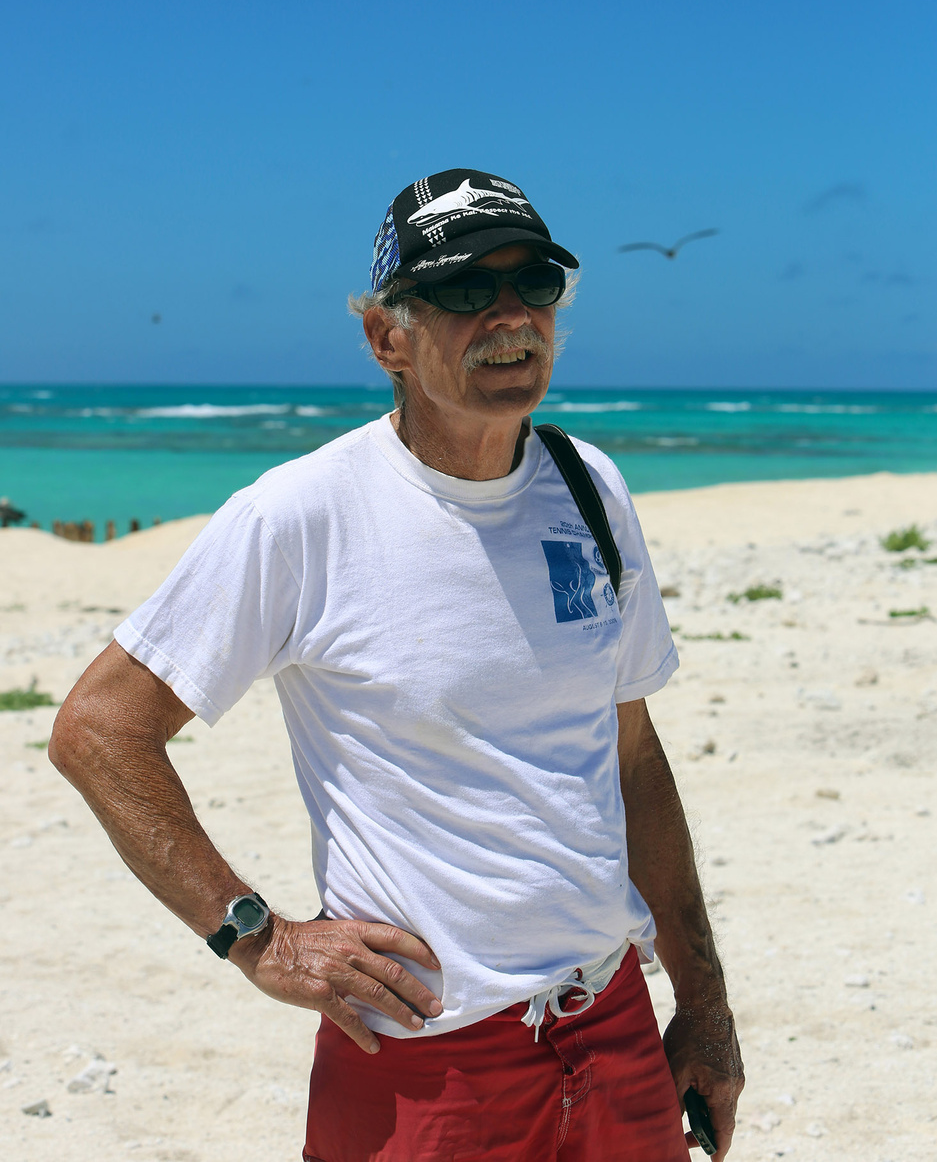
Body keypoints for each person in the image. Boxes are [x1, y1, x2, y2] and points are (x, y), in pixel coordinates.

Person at [50, 168, 743, 1162]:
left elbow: (629, 757)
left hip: (614, 1028)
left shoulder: (590, 489)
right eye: (465, 291)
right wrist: (258, 935)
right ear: (388, 337)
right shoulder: (301, 514)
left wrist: (704, 1006)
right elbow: (98, 729)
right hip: (425, 1063)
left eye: (533, 285)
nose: (509, 317)